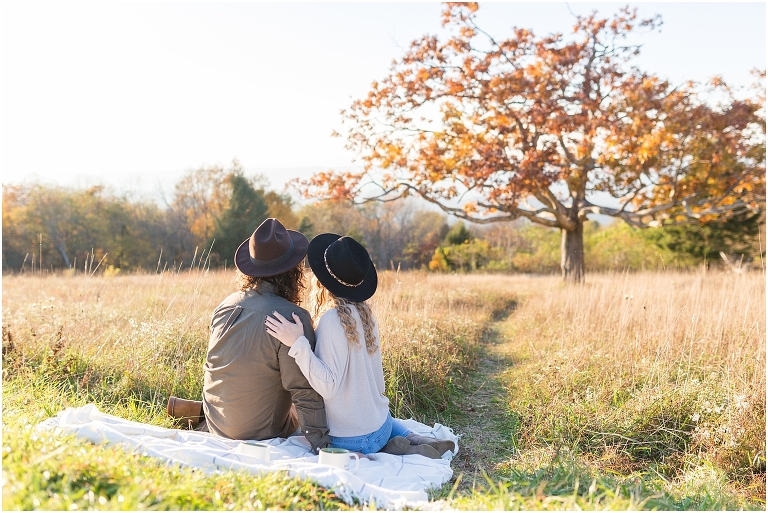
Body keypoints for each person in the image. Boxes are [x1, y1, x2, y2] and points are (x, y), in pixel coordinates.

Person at [265, 233, 455, 458]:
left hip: (349, 440)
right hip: (380, 428)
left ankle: (398, 447)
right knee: (381, 420)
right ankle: (413, 439)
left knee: (295, 409)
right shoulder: (367, 317)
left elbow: (327, 386)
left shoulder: (330, 320)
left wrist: (298, 344)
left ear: (322, 280)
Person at [167, 218, 331, 454]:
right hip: (259, 432)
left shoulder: (226, 305)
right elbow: (304, 389)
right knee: (305, 398)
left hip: (216, 424)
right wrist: (323, 444)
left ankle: (200, 413)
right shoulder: (293, 317)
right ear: (293, 271)